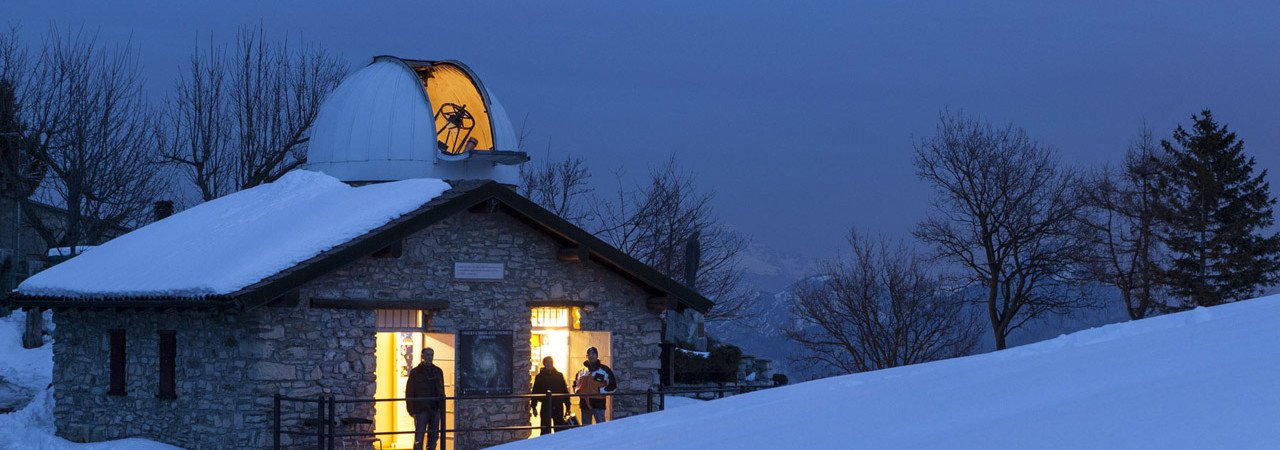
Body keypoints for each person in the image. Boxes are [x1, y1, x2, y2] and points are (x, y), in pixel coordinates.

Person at [406, 347, 445, 450]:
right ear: (422, 356)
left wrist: (441, 407)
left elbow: (441, 389)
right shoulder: (415, 372)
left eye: (431, 355)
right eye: (427, 355)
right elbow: (409, 391)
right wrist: (411, 410)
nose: (429, 357)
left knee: (434, 436)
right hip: (421, 409)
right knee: (419, 437)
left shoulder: (438, 371)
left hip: (435, 408)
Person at [572, 346, 616, 425]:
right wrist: (578, 391)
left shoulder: (604, 370)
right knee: (586, 429)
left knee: (600, 428)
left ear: (597, 355)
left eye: (593, 354)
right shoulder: (582, 371)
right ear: (586, 356)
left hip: (598, 404)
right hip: (584, 404)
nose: (591, 356)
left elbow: (613, 386)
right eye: (589, 354)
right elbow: (575, 384)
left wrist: (601, 390)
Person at [529, 356, 571, 436]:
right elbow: (535, 391)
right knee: (545, 429)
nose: (550, 364)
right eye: (548, 362)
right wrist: (533, 406)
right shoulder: (540, 377)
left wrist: (568, 406)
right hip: (545, 405)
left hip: (558, 405)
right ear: (544, 364)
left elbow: (564, 391)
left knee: (559, 429)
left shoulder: (559, 375)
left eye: (551, 362)